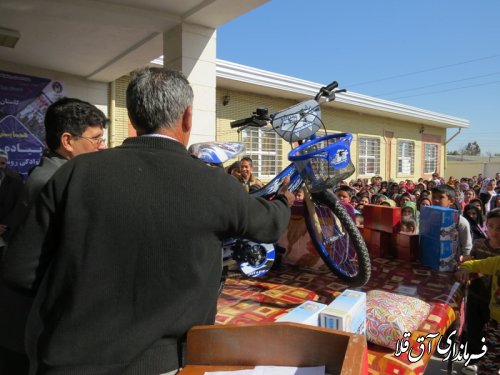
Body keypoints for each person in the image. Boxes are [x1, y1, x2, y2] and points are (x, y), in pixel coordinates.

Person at [1, 68, 294, 375]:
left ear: (133, 118)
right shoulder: (213, 183)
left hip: (68, 358)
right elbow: (268, 225)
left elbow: (20, 270)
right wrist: (285, 201)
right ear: (187, 117)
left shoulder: (75, 173)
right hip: (162, 364)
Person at [0, 97, 108, 375]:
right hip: (29, 319)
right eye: (96, 139)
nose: (102, 147)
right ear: (68, 141)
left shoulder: (53, 172)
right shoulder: (54, 182)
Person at [458, 208, 500, 374]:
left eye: (499, 228)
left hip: (494, 303)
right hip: (476, 294)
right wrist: (464, 270)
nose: (495, 232)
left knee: (491, 336)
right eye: (491, 226)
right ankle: (474, 360)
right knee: (474, 329)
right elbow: (471, 264)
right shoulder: (479, 244)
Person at [455, 255, 500, 374]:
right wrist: (464, 268)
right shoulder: (497, 262)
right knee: (488, 366)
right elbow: (474, 264)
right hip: (496, 324)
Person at [431, 185, 472, 258]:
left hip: (451, 263)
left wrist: (464, 258)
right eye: (433, 197)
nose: (436, 200)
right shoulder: (428, 218)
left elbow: (467, 247)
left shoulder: (460, 221)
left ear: (451, 201)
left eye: (441, 197)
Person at [0, 150, 24, 253]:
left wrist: (4, 226)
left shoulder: (15, 182)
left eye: (2, 163)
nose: (0, 166)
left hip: (6, 233)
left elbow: (19, 206)